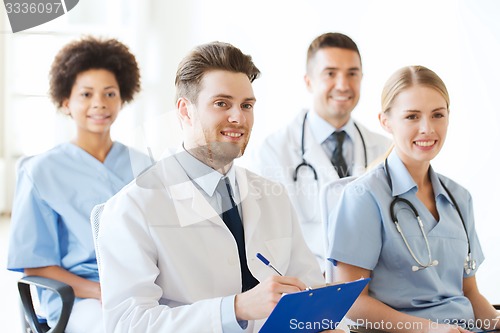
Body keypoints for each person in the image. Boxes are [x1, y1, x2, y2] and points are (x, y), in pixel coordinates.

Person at [96, 41, 344, 333]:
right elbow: (128, 325)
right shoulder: (133, 207)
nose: (238, 118)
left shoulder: (271, 196)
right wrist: (235, 308)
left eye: (246, 105)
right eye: (221, 104)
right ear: (185, 111)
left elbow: (308, 288)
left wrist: (320, 324)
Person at [328, 65, 500, 333]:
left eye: (437, 115)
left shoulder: (459, 198)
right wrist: (431, 329)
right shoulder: (364, 197)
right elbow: (350, 303)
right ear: (386, 122)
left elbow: (470, 294)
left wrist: (496, 323)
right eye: (412, 117)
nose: (427, 129)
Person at [7, 36, 151, 332]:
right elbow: (36, 265)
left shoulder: (145, 166)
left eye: (110, 93)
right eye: (86, 94)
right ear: (65, 101)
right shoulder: (40, 171)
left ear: (122, 98)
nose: (99, 103)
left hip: (144, 287)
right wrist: (99, 291)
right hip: (79, 297)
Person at [248, 32, 391, 270]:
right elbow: (269, 240)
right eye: (330, 73)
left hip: (371, 285)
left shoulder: (384, 148)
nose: (343, 85)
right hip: (307, 287)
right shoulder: (273, 150)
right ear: (308, 81)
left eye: (352, 74)